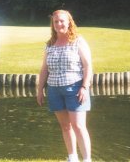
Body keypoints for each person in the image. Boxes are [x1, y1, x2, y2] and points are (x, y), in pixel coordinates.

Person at [37, 10, 93, 162]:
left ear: (69, 22)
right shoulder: (50, 45)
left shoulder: (78, 41)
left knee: (78, 126)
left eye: (62, 21)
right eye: (56, 22)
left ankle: (87, 159)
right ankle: (72, 157)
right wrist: (40, 89)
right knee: (65, 126)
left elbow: (88, 66)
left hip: (75, 88)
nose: (59, 24)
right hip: (54, 90)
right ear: (53, 25)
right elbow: (44, 69)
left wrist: (84, 87)